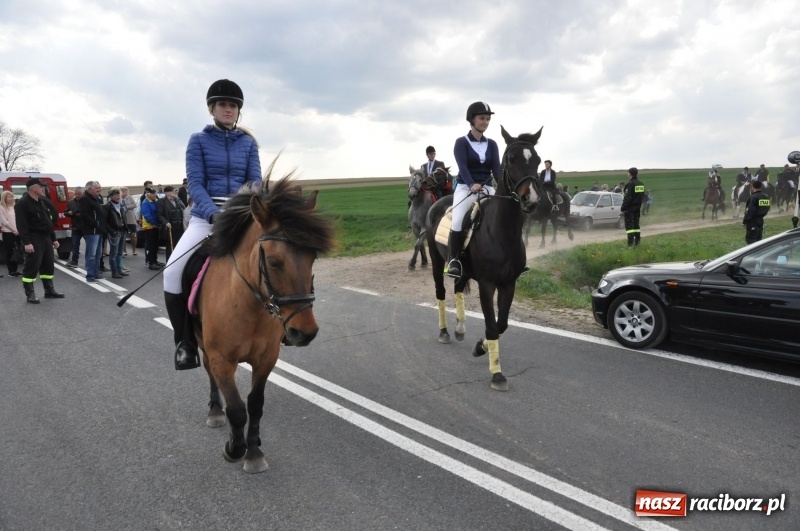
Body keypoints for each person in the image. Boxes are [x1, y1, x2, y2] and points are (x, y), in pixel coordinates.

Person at [164, 78, 262, 371]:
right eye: (223, 105)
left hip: (242, 217)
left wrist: (242, 211)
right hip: (206, 220)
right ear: (212, 109)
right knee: (172, 273)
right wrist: (212, 214)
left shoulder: (248, 143)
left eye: (232, 105)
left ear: (238, 110)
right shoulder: (198, 141)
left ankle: (282, 327)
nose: (228, 109)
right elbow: (195, 183)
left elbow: (255, 181)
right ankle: (185, 343)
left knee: (278, 259)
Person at [446, 101, 501, 279]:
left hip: (487, 187)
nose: (485, 122)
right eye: (482, 118)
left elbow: (497, 170)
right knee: (458, 220)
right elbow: (462, 168)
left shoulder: (492, 144)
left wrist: (503, 186)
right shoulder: (461, 143)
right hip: (466, 187)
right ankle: (454, 261)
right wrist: (471, 184)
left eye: (487, 119)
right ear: (472, 120)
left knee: (505, 214)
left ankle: (513, 256)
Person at [14, 177, 65, 302]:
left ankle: (49, 290)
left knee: (48, 265)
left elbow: (48, 222)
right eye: (40, 187)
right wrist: (27, 242)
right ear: (33, 188)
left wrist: (53, 239)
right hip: (33, 238)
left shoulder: (41, 202)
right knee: (32, 266)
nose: (43, 189)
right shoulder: (23, 203)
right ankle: (30, 294)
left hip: (46, 238)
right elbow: (22, 225)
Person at [77, 181, 107, 282]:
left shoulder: (97, 199)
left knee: (98, 254)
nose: (99, 190)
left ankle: (96, 273)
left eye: (100, 187)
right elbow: (84, 214)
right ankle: (90, 275)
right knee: (91, 254)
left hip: (99, 230)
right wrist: (95, 223)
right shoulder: (84, 199)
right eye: (97, 188)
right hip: (91, 231)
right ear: (89, 189)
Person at [157, 185, 185, 261]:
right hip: (169, 228)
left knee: (179, 246)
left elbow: (183, 209)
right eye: (173, 191)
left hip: (179, 227)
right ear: (167, 193)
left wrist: (178, 200)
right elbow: (159, 215)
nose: (174, 192)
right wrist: (166, 223)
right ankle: (169, 263)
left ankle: (177, 262)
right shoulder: (161, 201)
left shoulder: (177, 200)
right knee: (170, 247)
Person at [104, 189, 127, 279]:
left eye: (119, 195)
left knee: (120, 253)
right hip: (114, 232)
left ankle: (119, 269)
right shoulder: (107, 206)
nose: (118, 197)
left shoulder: (120, 205)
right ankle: (114, 271)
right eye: (116, 195)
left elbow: (123, 218)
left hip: (122, 230)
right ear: (111, 196)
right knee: (114, 253)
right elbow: (105, 221)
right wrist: (112, 231)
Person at [621, 167, 644, 247]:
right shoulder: (641, 184)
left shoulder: (630, 184)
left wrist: (623, 208)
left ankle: (630, 245)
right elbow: (641, 197)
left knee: (630, 227)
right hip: (637, 208)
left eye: (628, 173)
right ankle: (637, 243)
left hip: (630, 209)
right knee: (636, 225)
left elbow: (628, 197)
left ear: (630, 173)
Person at [140, 187, 162, 270]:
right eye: (152, 194)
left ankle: (155, 261)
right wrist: (155, 223)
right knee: (150, 245)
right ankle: (150, 262)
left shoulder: (155, 201)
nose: (154, 195)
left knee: (155, 245)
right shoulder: (145, 203)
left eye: (154, 193)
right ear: (147, 194)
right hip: (149, 227)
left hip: (155, 226)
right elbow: (147, 216)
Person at [0, 190, 21, 276]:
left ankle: (15, 269)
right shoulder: (1, 207)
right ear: (4, 198)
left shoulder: (14, 206)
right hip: (8, 232)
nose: (12, 198)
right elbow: (4, 221)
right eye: (9, 197)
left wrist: (18, 229)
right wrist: (13, 230)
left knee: (16, 250)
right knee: (10, 251)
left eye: (12, 196)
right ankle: (11, 270)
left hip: (17, 231)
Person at [743, 180, 771, 244]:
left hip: (752, 221)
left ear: (752, 187)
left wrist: (745, 221)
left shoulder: (753, 197)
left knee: (751, 239)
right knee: (759, 239)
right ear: (761, 186)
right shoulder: (766, 197)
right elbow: (767, 208)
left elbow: (750, 211)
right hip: (761, 220)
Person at [64, 186, 84, 267]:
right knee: (75, 244)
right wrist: (68, 213)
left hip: (86, 227)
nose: (77, 195)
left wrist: (76, 213)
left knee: (90, 246)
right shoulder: (71, 202)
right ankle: (74, 261)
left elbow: (87, 213)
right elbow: (65, 212)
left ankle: (95, 264)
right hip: (75, 226)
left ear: (83, 193)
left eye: (79, 194)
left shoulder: (86, 202)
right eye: (76, 194)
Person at [121, 187, 138, 256]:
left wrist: (126, 207)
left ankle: (134, 250)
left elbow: (134, 205)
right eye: (124, 191)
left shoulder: (130, 198)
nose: (126, 192)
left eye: (127, 191)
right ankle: (124, 250)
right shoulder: (119, 198)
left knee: (133, 234)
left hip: (131, 218)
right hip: (123, 219)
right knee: (123, 235)